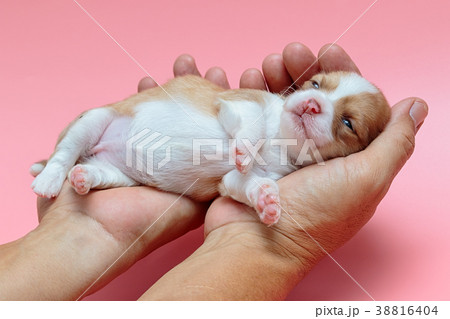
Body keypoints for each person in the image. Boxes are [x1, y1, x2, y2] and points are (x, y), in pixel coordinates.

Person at [0, 43, 428, 300]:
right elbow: (228, 106)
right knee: (92, 119)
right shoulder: (268, 109)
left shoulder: (287, 170)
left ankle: (97, 176)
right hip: (121, 125)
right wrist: (243, 136)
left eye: (346, 122)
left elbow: (229, 183)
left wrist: (257, 189)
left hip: (137, 172)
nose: (317, 104)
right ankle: (61, 161)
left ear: (352, 153)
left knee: (123, 176)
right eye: (318, 86)